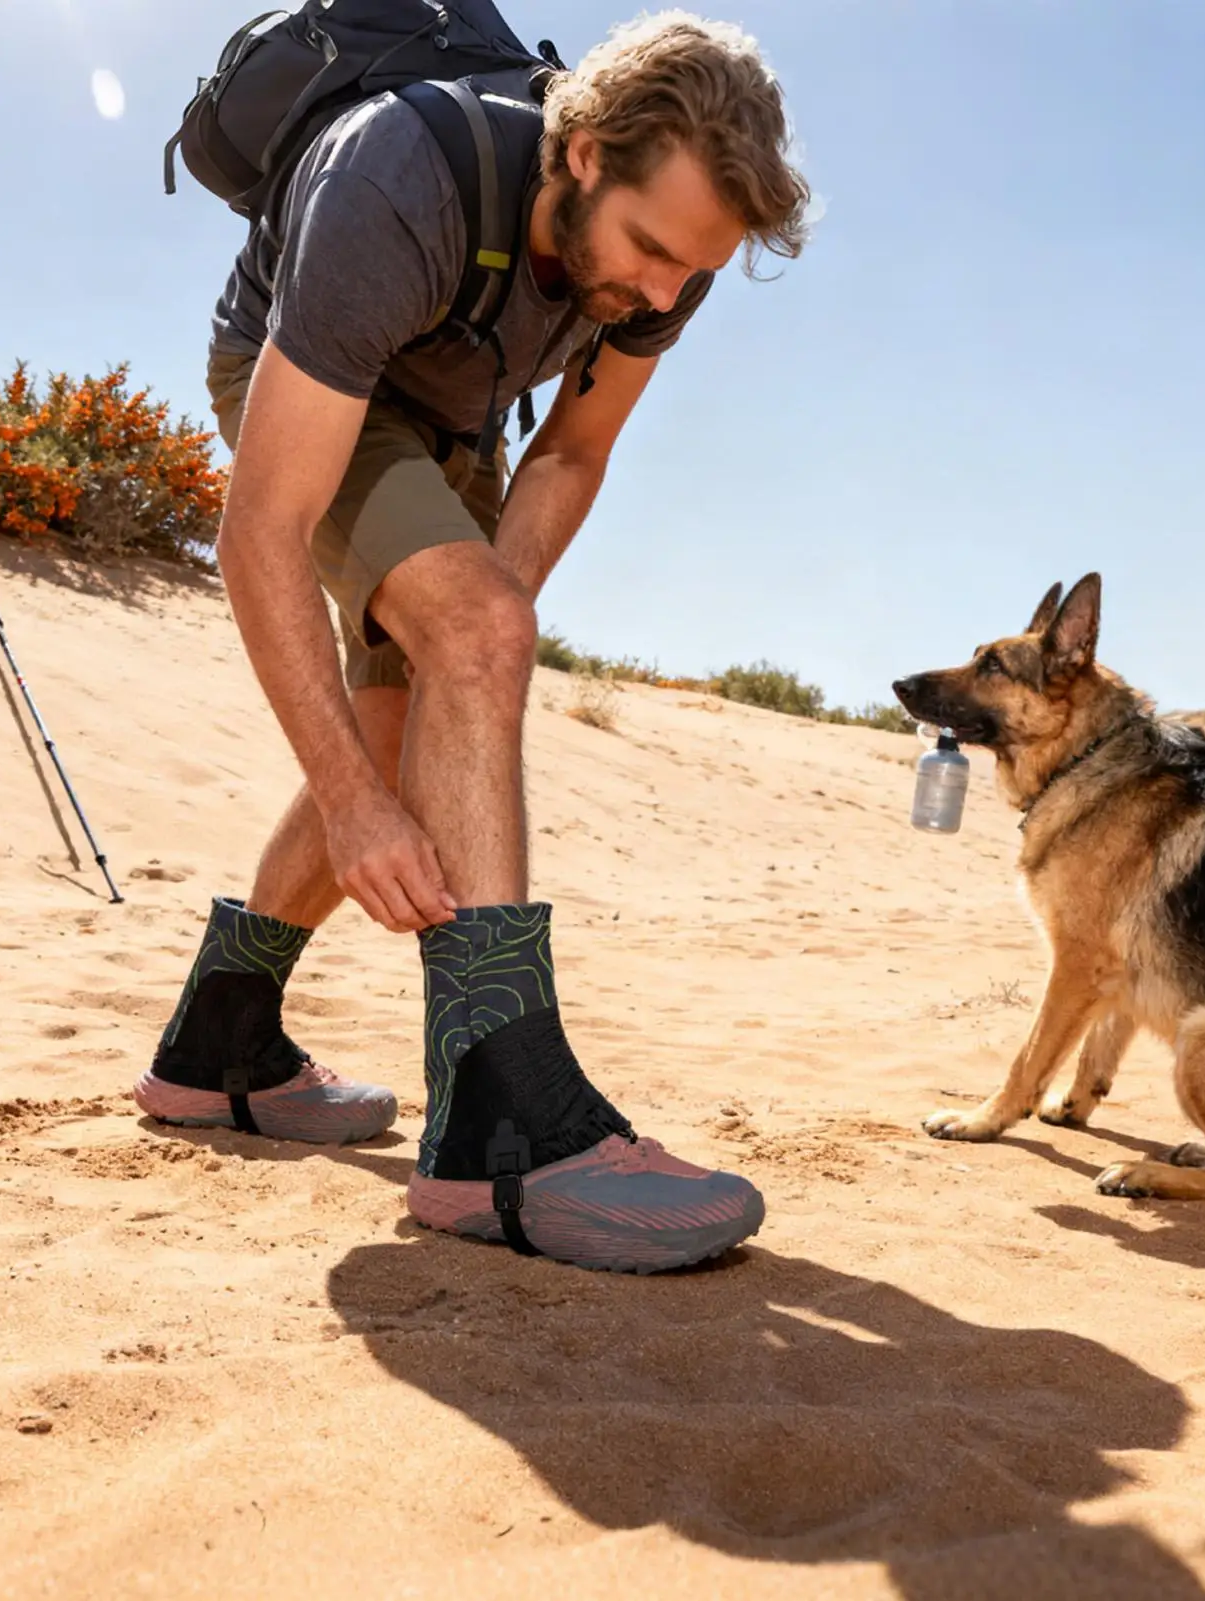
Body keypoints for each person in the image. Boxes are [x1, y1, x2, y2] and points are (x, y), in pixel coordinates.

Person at [133, 10, 811, 1273]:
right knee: (457, 655)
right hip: (300, 377)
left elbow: (574, 445)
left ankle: (216, 1045)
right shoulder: (402, 173)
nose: (662, 295)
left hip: (459, 422)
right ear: (584, 153)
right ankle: (497, 1130)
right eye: (650, 252)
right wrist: (352, 797)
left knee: (435, 689)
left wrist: (467, 642)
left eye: (692, 271)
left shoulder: (672, 255)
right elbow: (259, 531)